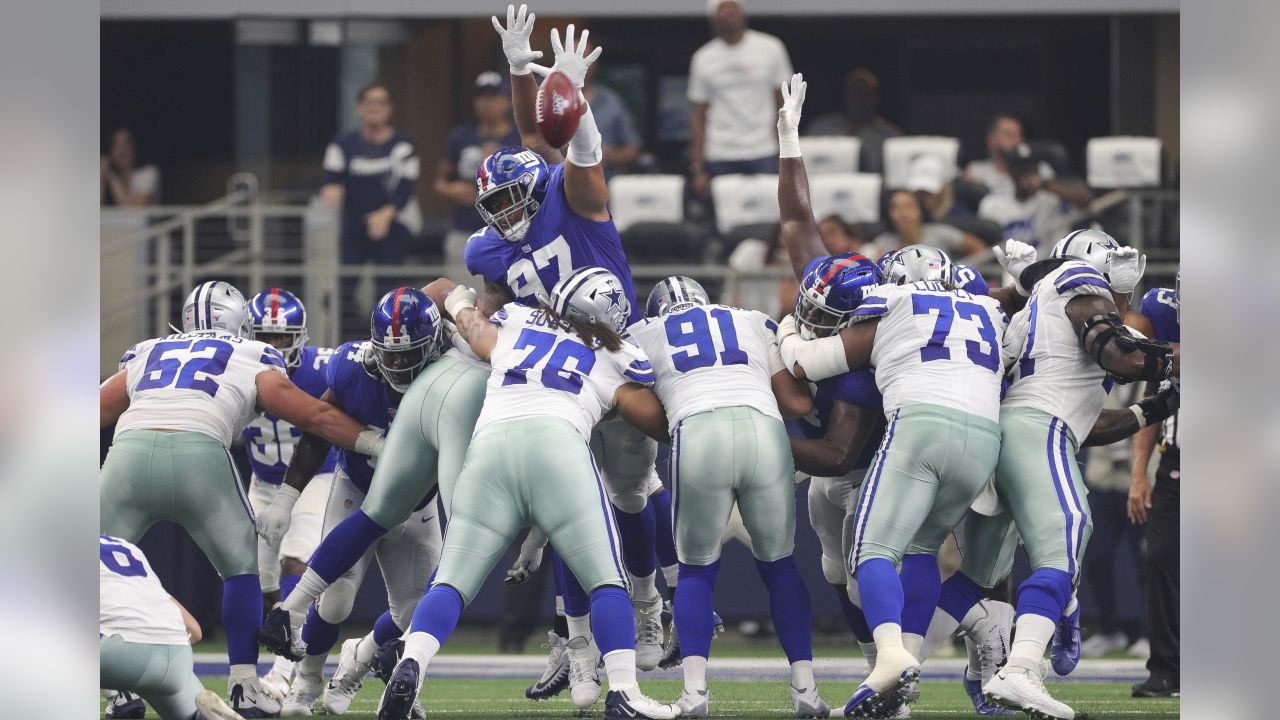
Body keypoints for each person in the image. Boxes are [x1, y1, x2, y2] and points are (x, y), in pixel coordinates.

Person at [376, 267, 679, 720]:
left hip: (490, 450)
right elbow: (654, 420)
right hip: (557, 446)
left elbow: (470, 325)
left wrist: (458, 301)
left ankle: (411, 665)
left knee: (451, 582)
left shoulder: (517, 320)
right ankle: (624, 692)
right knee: (606, 580)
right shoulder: (616, 353)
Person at [485, 5, 678, 675]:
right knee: (570, 502)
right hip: (555, 366)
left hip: (618, 352)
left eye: (516, 199)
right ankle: (574, 642)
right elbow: (526, 150)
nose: (507, 213)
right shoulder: (491, 247)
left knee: (631, 490)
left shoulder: (572, 198)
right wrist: (519, 69)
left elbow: (568, 144)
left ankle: (655, 601)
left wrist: (570, 97)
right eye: (496, 205)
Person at [100, 280, 387, 718]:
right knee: (240, 571)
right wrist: (377, 445)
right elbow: (313, 415)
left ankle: (114, 687)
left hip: (127, 456)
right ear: (241, 324)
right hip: (200, 455)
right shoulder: (247, 353)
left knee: (93, 570)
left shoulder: (150, 349)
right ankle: (244, 684)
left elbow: (98, 408)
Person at [257, 281, 491, 714]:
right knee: (337, 600)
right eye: (391, 352)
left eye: (408, 352)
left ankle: (359, 659)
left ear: (434, 344)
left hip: (420, 505)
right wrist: (286, 498)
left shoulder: (455, 370)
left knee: (414, 612)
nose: (399, 363)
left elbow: (443, 288)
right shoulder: (353, 369)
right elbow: (318, 430)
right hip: (357, 490)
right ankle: (306, 681)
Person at [979, 230, 1179, 719]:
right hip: (1039, 428)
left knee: (984, 571)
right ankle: (1022, 666)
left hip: (1019, 428)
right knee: (1069, 532)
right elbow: (1121, 355)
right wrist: (1180, 359)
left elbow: (1087, 421)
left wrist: (1159, 405)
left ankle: (902, 663)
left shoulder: (1042, 306)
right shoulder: (1081, 281)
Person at [630, 276, 826, 718]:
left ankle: (695, 693)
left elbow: (624, 398)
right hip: (764, 427)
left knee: (696, 572)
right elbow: (794, 402)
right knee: (780, 567)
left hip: (698, 428)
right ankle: (806, 689)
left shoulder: (643, 333)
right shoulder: (751, 319)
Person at [240, 289, 339, 700]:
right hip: (263, 482)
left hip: (315, 478)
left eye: (282, 338)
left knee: (297, 559)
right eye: (264, 336)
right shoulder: (233, 368)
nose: (273, 346)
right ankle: (286, 653)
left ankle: (281, 674)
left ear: (299, 337)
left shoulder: (322, 368)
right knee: (259, 580)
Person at [100, 535, 245, 720]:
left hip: (118, 651)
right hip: (176, 653)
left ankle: (119, 694)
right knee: (193, 714)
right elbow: (195, 630)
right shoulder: (125, 546)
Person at [1126, 277, 1181, 698]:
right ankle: (1165, 669)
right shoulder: (1164, 316)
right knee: (1161, 558)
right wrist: (1139, 473)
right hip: (1178, 461)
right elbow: (1152, 400)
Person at [687, 0, 793, 196]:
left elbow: (785, 104)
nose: (728, 14)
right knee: (722, 220)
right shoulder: (703, 57)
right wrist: (698, 168)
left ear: (743, 13)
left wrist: (787, 153)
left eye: (732, 8)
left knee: (769, 215)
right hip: (719, 153)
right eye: (722, 9)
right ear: (713, 18)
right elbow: (697, 116)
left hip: (763, 149)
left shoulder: (771, 47)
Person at [321, 83, 421, 268]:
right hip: (353, 223)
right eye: (370, 102)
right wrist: (332, 190)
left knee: (388, 287)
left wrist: (385, 214)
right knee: (346, 287)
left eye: (380, 103)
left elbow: (407, 187)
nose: (375, 107)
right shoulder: (342, 143)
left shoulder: (403, 143)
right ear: (359, 108)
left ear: (389, 109)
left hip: (393, 224)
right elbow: (331, 179)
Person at [436, 71, 522, 281]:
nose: (488, 102)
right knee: (463, 298)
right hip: (465, 228)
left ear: (506, 100)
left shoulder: (518, 138)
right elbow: (439, 182)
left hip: (508, 231)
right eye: (482, 96)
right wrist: (452, 189)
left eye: (494, 96)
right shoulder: (461, 136)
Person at [978, 143, 1091, 255]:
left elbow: (1085, 200)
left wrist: (1044, 184)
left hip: (1050, 267)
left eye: (1032, 170)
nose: (1027, 176)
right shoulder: (993, 203)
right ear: (1011, 173)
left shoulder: (1053, 199)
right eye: (1022, 171)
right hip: (1008, 269)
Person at [802, 68, 903, 173]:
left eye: (866, 93)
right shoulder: (819, 130)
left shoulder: (891, 137)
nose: (860, 99)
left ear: (876, 97)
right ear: (844, 95)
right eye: (855, 92)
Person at [868, 189, 986, 261]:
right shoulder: (883, 244)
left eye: (909, 207)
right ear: (889, 214)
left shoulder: (941, 233)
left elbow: (978, 248)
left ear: (920, 211)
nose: (903, 214)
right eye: (896, 208)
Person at [963, 114, 1055, 200]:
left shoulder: (1041, 170)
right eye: (1008, 135)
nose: (1016, 141)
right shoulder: (976, 171)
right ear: (990, 141)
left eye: (1019, 135)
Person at [584, 47, 642, 176]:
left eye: (586, 57)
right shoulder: (549, 99)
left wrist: (610, 155)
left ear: (596, 63)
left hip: (604, 182)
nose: (581, 63)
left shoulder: (612, 102)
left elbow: (633, 149)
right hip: (558, 183)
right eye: (575, 57)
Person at [101, 127, 159, 207]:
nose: (121, 149)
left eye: (126, 143)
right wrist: (102, 179)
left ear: (135, 146)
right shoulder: (105, 176)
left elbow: (135, 208)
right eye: (116, 144)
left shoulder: (148, 173)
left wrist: (111, 176)